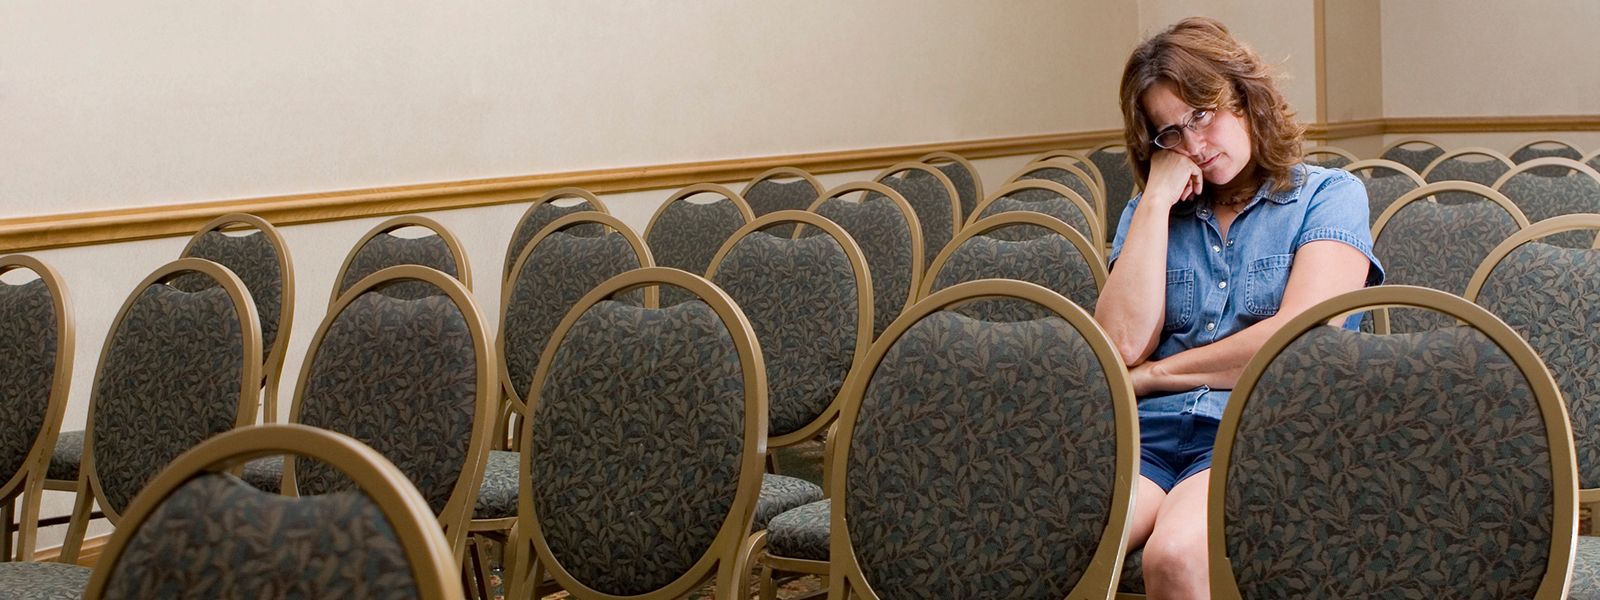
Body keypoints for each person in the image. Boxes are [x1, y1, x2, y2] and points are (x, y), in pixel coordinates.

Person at [1095, 17, 1384, 599]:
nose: (1194, 145)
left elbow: (1294, 343)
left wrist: (1153, 376)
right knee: (1050, 540)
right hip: (1146, 437)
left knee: (1174, 557)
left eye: (1202, 115)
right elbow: (1118, 345)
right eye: (1169, 133)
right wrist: (1154, 197)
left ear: (1246, 98)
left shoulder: (1329, 196)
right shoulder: (1151, 213)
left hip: (1257, 430)